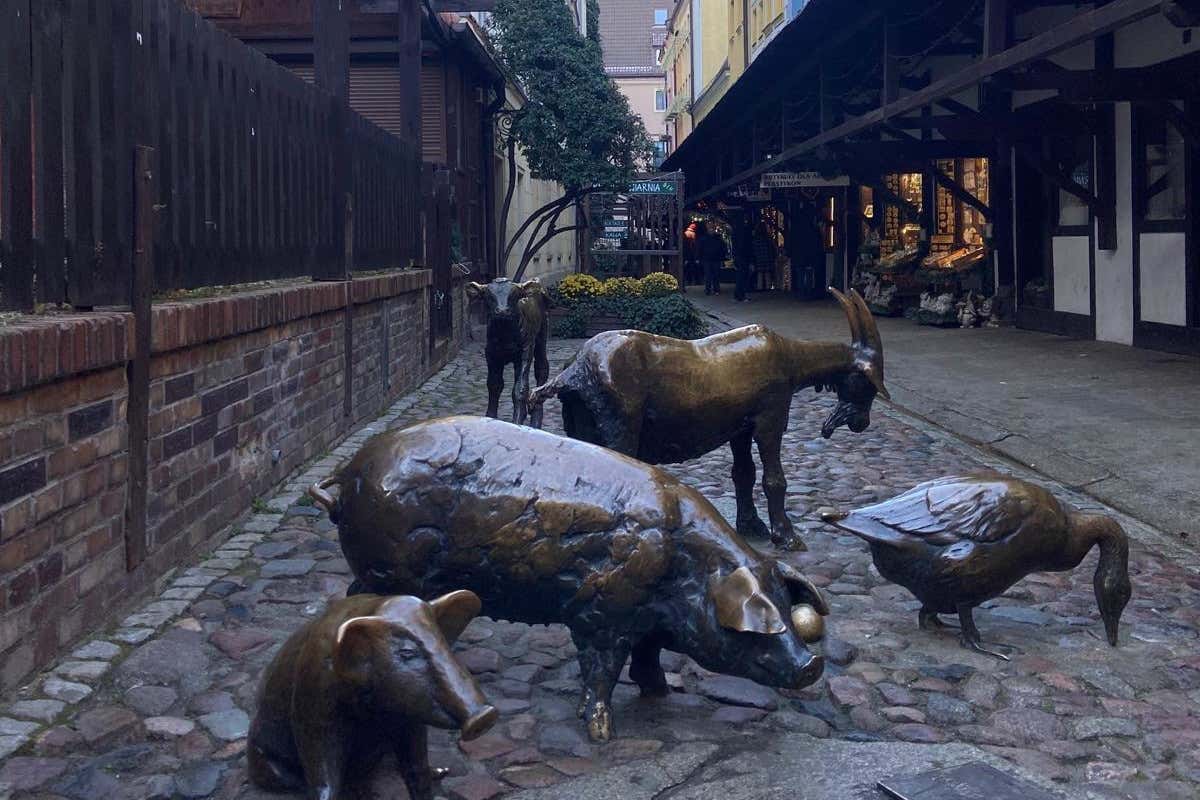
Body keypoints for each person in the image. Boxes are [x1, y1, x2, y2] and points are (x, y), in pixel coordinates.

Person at [697, 222, 726, 296]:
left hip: (714, 258)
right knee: (709, 275)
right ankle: (709, 289)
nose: (711, 230)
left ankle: (714, 289)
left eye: (712, 228)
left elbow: (722, 248)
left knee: (714, 275)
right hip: (708, 259)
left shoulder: (714, 238)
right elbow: (700, 249)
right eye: (710, 228)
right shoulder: (707, 238)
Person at [731, 215, 754, 302]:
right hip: (743, 257)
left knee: (740, 276)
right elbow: (747, 247)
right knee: (743, 276)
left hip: (739, 256)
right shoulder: (746, 234)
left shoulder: (736, 233)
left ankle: (738, 295)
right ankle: (741, 295)